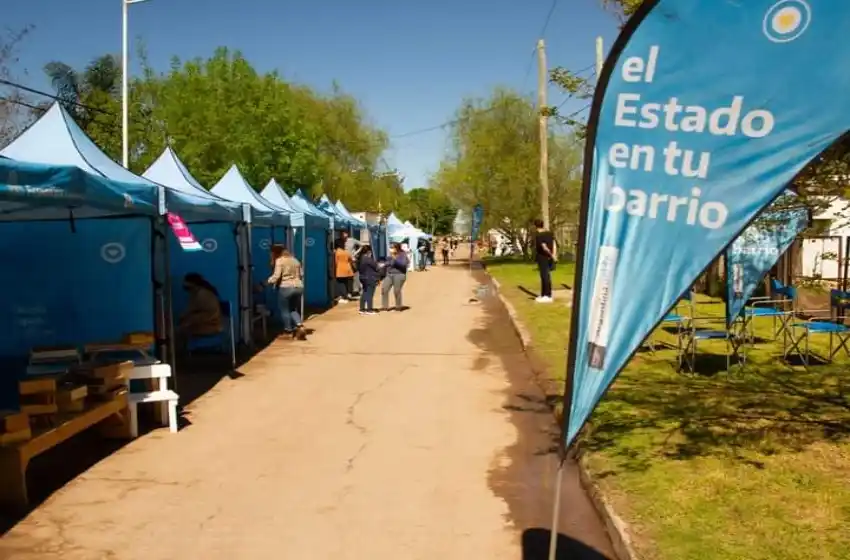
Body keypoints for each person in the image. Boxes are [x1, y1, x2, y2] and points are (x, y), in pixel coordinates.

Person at [268, 244, 307, 339]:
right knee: (293, 309)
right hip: (298, 287)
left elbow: (276, 276)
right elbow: (302, 274)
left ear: (275, 253)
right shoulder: (295, 260)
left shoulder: (279, 260)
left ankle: (288, 331)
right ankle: (300, 326)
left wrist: (266, 282)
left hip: (286, 287)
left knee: (284, 310)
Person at [177, 273, 223, 347]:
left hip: (210, 325)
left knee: (179, 331)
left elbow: (204, 314)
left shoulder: (202, 294)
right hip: (208, 323)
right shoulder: (198, 293)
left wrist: (186, 322)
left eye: (188, 288)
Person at [533, 218, 555, 303]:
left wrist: (551, 255)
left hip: (543, 257)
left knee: (545, 276)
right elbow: (554, 244)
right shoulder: (550, 233)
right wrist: (554, 254)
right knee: (546, 276)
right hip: (549, 256)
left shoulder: (539, 235)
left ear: (535, 226)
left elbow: (544, 247)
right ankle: (543, 294)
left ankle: (547, 295)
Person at [382, 243, 409, 311]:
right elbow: (388, 263)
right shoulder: (390, 255)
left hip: (399, 274)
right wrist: (384, 264)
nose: (390, 249)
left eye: (392, 247)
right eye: (390, 247)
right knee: (384, 289)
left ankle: (398, 306)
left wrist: (395, 259)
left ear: (397, 248)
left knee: (396, 291)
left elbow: (403, 264)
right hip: (389, 274)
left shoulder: (403, 255)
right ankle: (385, 307)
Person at [357, 245, 381, 315]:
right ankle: (369, 309)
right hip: (370, 278)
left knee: (364, 292)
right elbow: (376, 267)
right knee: (370, 294)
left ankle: (362, 309)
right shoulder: (368, 259)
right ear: (368, 251)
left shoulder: (360, 258)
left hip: (362, 277)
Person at [334, 239, 355, 303]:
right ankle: (348, 294)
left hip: (340, 270)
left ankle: (342, 296)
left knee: (340, 283)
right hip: (348, 270)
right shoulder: (346, 252)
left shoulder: (337, 252)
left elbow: (335, 262)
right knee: (346, 283)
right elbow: (351, 260)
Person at [342, 231, 363, 295]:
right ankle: (351, 290)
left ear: (347, 234)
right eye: (342, 234)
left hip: (353, 260)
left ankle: (358, 288)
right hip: (345, 261)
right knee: (348, 276)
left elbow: (362, 245)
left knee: (355, 274)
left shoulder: (352, 240)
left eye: (345, 234)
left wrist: (356, 253)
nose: (344, 235)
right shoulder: (340, 241)